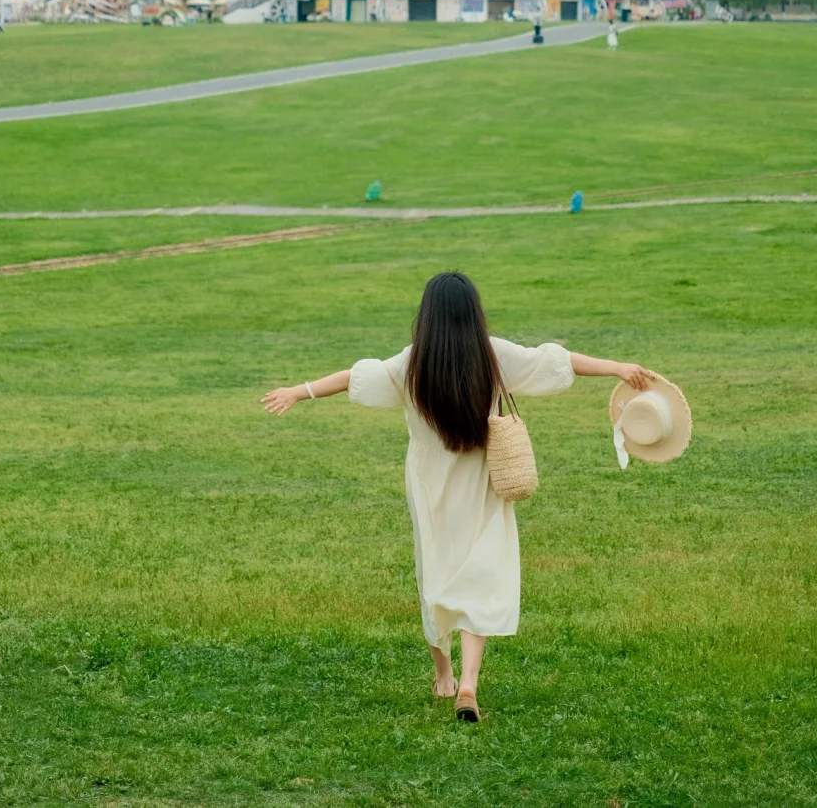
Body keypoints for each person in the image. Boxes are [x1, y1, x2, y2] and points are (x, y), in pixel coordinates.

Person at [262, 271, 655, 723]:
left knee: (436, 573)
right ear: (474, 312)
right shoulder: (492, 354)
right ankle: (469, 682)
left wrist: (301, 391)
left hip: (430, 483)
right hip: (483, 479)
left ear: (426, 315)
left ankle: (444, 677)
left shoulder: (413, 362)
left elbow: (357, 377)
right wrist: (618, 368)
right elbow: (556, 361)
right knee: (482, 570)